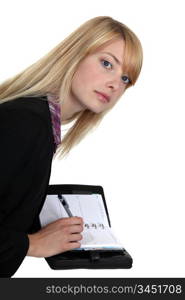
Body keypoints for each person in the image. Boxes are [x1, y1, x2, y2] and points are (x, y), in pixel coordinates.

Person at [0, 16, 143, 277]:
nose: (115, 84)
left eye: (125, 79)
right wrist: (32, 244)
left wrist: (35, 214)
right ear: (75, 53)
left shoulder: (40, 121)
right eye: (106, 63)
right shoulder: (27, 122)